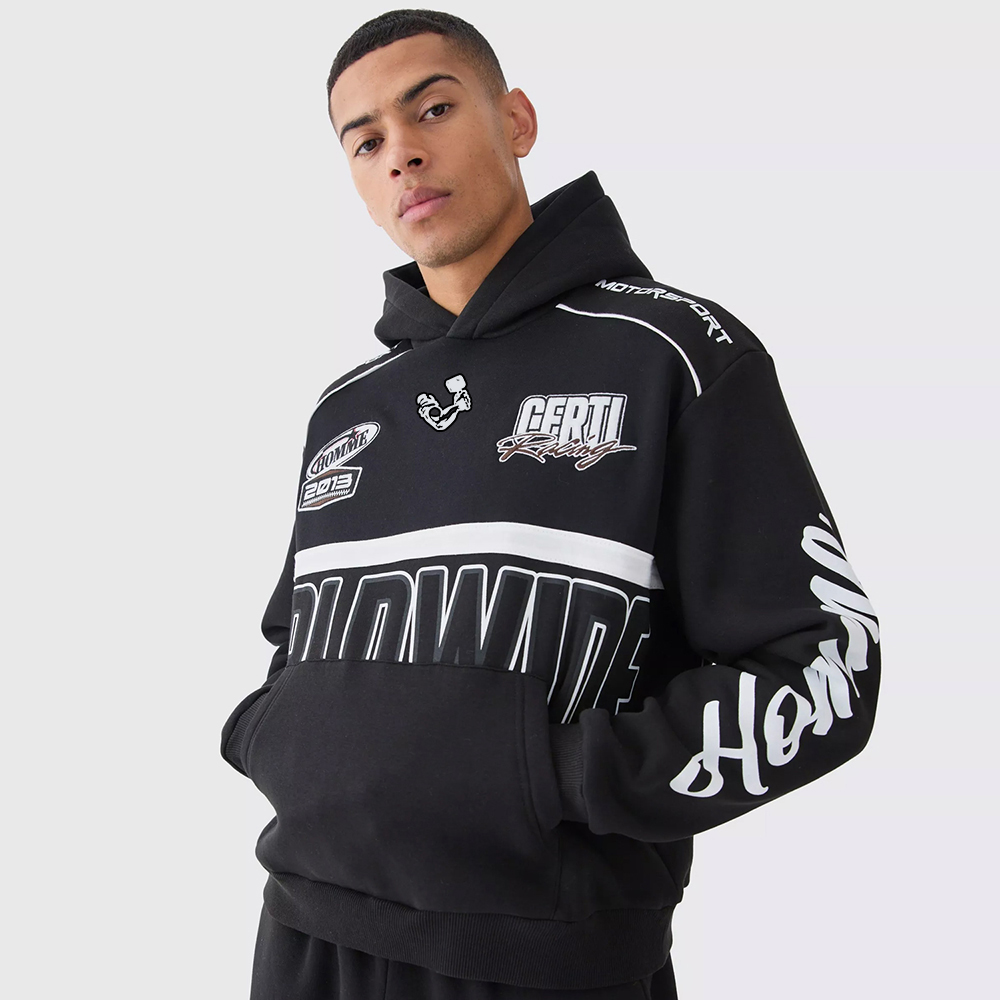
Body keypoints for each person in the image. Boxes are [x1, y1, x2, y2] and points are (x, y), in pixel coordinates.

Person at [219, 9, 882, 999]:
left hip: (543, 961)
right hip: (304, 936)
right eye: (365, 140)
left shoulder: (675, 357)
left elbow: (827, 666)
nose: (401, 154)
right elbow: (298, 644)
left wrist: (558, 772)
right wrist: (271, 735)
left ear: (516, 121)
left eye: (431, 110)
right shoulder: (347, 409)